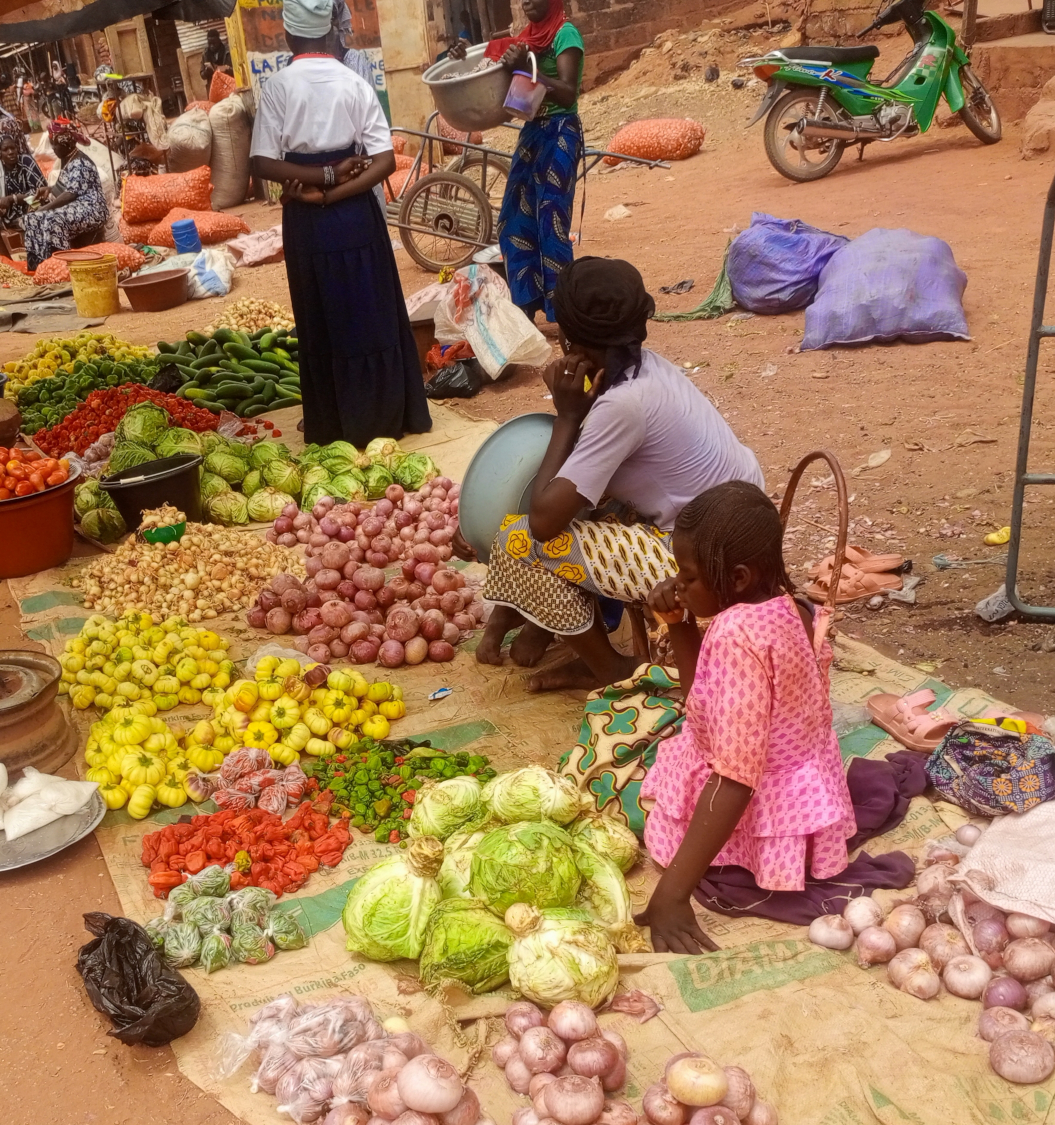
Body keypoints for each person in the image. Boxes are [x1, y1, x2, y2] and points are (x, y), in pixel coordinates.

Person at [462, 256, 762, 689]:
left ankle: (610, 669)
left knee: (519, 538)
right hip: (742, 527)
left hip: (705, 557)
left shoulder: (624, 406)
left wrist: (566, 417)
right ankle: (539, 624)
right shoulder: (646, 368)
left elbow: (545, 523)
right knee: (588, 501)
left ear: (569, 340)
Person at [633, 482, 854, 954]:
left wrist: (672, 893)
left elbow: (735, 777)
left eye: (688, 577)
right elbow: (706, 702)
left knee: (635, 798)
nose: (679, 585)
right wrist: (680, 621)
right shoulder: (790, 603)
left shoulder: (736, 634)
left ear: (735, 578)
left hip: (759, 794)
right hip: (801, 775)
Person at [248, 0, 431, 447]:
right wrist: (333, 184)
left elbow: (262, 163)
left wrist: (314, 187)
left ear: (290, 36)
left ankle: (332, 421)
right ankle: (385, 414)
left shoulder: (278, 87)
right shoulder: (353, 82)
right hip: (355, 216)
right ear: (328, 33)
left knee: (321, 314)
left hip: (306, 220)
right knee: (370, 311)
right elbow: (384, 161)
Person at [450, 0, 583, 325]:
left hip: (560, 132)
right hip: (532, 132)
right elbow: (492, 61)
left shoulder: (566, 35)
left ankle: (563, 313)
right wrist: (463, 56)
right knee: (513, 218)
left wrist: (529, 65)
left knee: (551, 222)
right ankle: (526, 302)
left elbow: (568, 93)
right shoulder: (527, 37)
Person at [21, 118, 107, 271]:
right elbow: (71, 185)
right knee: (32, 218)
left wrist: (46, 208)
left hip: (92, 210)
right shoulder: (68, 159)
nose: (53, 148)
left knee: (52, 219)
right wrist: (49, 189)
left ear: (65, 144)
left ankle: (62, 268)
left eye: (54, 144)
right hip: (77, 206)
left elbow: (71, 194)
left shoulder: (80, 162)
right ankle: (40, 267)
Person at [0, 118, 47, 255]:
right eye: (5, 150)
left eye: (13, 148)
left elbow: (42, 191)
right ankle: (5, 256)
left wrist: (13, 199)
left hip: (29, 207)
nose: (10, 152)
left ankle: (38, 253)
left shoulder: (26, 161)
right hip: (7, 215)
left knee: (39, 204)